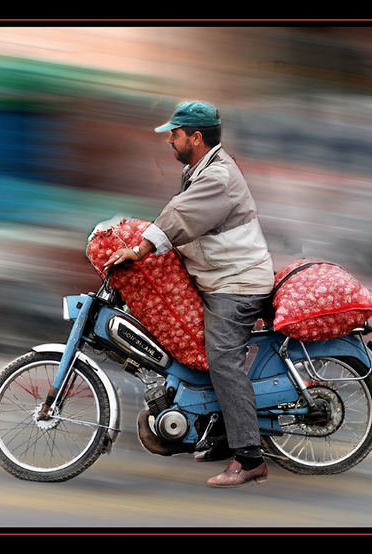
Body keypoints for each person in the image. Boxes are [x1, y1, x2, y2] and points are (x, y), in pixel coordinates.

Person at [103, 100, 275, 487]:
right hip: (218, 278)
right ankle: (219, 433)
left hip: (237, 285)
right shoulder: (201, 169)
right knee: (188, 348)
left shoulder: (218, 177)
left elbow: (181, 216)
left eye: (175, 134)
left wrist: (141, 248)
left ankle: (249, 458)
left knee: (221, 358)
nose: (170, 141)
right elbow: (178, 213)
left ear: (195, 137)